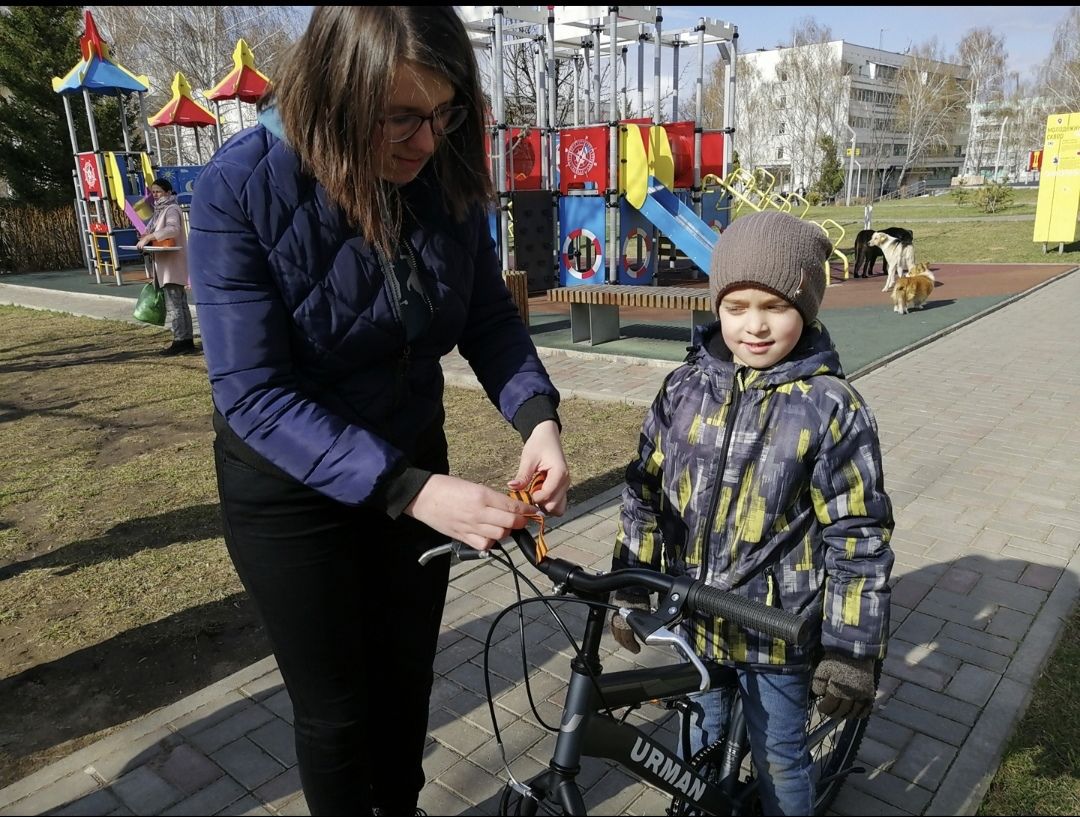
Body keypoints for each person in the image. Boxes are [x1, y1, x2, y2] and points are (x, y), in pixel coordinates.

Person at [186, 8, 570, 815]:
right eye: (402, 117)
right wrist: (413, 489)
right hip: (291, 494)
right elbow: (251, 392)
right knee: (337, 714)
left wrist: (538, 418)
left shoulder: (444, 171)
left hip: (407, 465)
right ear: (336, 95)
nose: (428, 142)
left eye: (444, 113)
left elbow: (487, 319)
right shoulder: (240, 186)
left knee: (403, 686)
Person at [608, 210, 894, 816]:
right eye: (736, 307)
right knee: (697, 744)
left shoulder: (831, 407)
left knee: (779, 758)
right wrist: (630, 591)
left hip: (778, 634)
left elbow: (858, 535)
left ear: (807, 309)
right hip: (696, 624)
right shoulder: (683, 389)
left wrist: (851, 653)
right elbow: (643, 496)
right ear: (717, 306)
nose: (755, 326)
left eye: (775, 307)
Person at [135, 177, 195, 355]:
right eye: (153, 192)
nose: (155, 195)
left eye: (158, 192)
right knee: (179, 303)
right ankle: (185, 339)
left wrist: (150, 237)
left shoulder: (171, 208)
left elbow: (172, 229)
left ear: (168, 192)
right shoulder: (159, 211)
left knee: (175, 304)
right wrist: (146, 237)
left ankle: (181, 340)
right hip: (165, 262)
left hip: (172, 262)